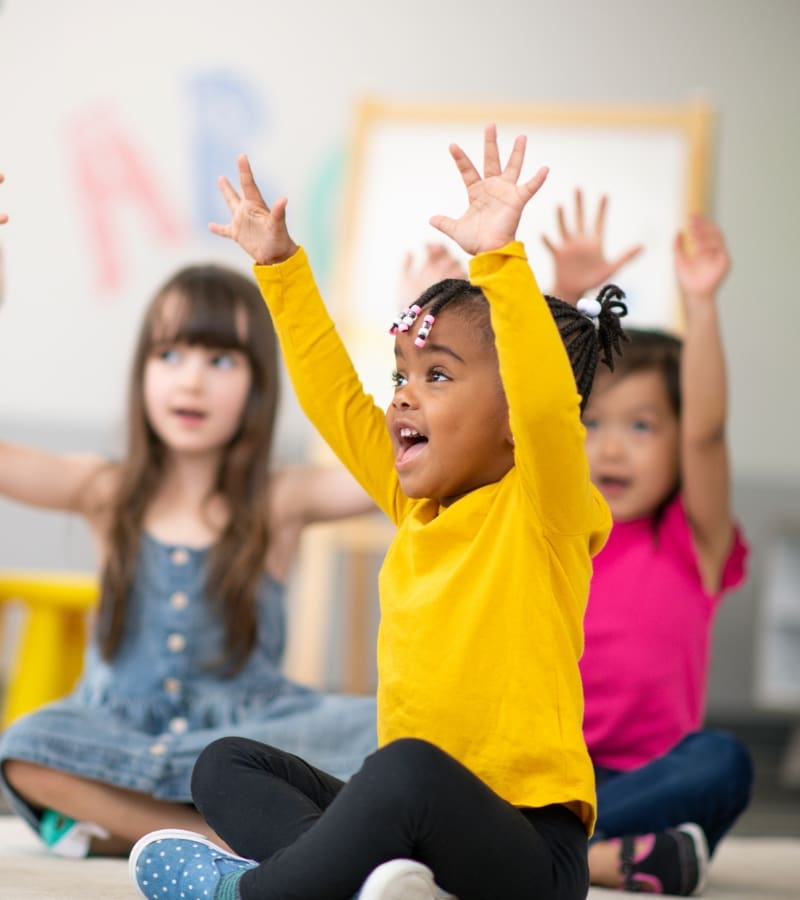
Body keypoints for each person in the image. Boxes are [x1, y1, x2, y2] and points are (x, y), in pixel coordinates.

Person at [129, 125, 629, 900]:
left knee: (405, 771)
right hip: (416, 836)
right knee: (225, 763)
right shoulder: (412, 503)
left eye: (437, 374)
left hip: (530, 852)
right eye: (402, 372)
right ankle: (364, 885)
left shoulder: (546, 506)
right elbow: (335, 401)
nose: (402, 394)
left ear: (511, 418)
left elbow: (547, 408)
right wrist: (279, 269)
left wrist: (498, 260)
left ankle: (257, 894)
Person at [0, 172, 378, 858]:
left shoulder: (279, 497)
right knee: (24, 749)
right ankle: (224, 839)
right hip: (117, 729)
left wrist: (438, 347)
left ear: (259, 383)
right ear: (141, 372)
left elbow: (398, 466)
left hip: (252, 736)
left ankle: (138, 830)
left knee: (404, 736)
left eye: (221, 358)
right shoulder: (106, 488)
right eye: (169, 354)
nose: (191, 378)